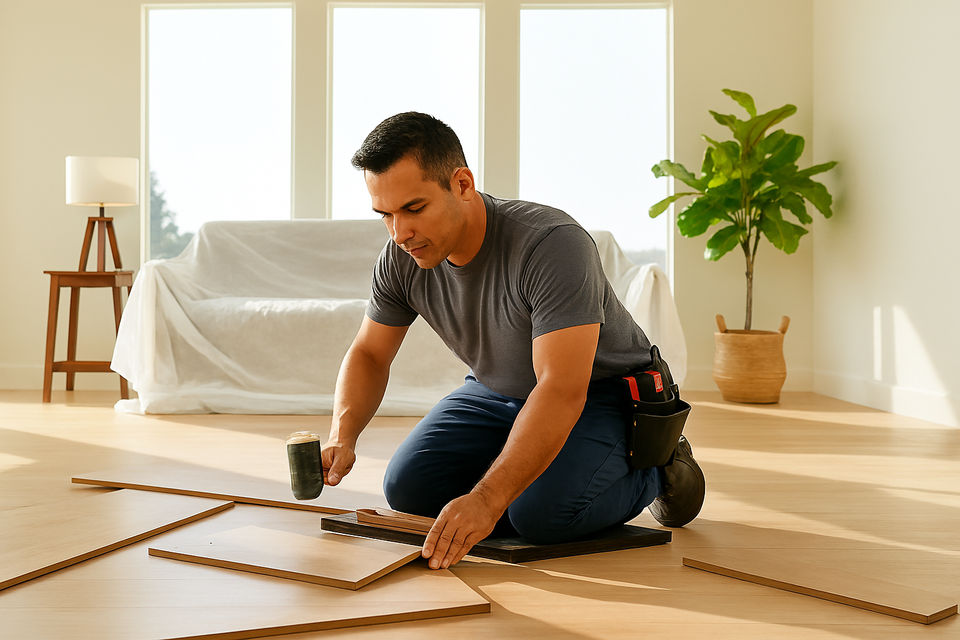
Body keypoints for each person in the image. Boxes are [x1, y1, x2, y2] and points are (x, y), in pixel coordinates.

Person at [321, 112, 704, 570]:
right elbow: (369, 352)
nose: (400, 233)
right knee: (408, 489)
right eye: (385, 215)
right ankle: (533, 474)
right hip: (498, 390)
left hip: (605, 394)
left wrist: (487, 499)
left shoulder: (551, 244)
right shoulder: (403, 257)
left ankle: (656, 467)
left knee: (541, 517)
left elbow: (562, 387)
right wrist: (342, 436)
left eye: (414, 208)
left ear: (462, 184)